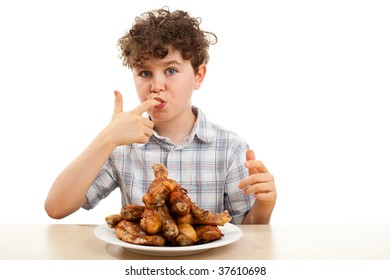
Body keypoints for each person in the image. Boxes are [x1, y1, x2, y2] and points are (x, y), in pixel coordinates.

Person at [44, 7, 277, 225]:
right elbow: (56, 208)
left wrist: (264, 205)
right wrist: (107, 138)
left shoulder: (230, 148)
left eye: (171, 71)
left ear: (198, 76)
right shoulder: (122, 147)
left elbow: (244, 230)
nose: (156, 86)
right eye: (145, 73)